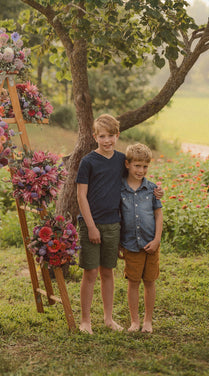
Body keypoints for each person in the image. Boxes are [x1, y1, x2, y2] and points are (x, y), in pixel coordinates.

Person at [76, 114, 125, 334]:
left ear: (118, 135)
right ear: (95, 136)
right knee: (90, 273)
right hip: (90, 224)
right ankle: (85, 320)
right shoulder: (88, 162)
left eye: (111, 136)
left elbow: (135, 181)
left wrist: (156, 191)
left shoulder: (122, 161)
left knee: (108, 272)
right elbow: (81, 196)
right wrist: (92, 226)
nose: (107, 140)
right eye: (102, 136)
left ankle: (108, 318)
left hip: (113, 223)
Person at [120, 143, 163, 333]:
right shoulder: (120, 189)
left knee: (150, 281)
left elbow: (158, 215)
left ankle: (147, 321)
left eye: (145, 166)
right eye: (137, 165)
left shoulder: (152, 189)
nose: (141, 170)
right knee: (133, 282)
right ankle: (134, 321)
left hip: (151, 243)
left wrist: (157, 240)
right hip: (131, 244)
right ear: (128, 164)